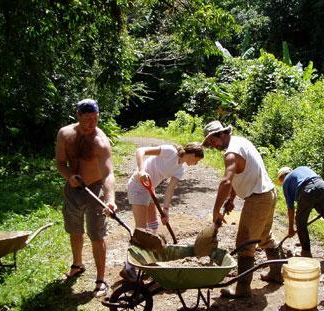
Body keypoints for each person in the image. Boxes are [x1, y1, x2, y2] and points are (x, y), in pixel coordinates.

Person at [202, 120, 282, 299]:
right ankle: (276, 273)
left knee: (244, 244)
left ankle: (243, 288)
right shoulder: (241, 142)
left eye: (212, 140)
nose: (212, 145)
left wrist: (216, 210)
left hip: (258, 199)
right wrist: (231, 198)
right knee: (264, 236)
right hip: (268, 193)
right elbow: (242, 173)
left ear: (221, 134)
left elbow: (226, 181)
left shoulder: (231, 153)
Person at [55, 98, 117, 297]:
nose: (92, 123)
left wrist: (110, 200)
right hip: (73, 188)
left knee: (96, 235)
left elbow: (108, 174)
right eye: (87, 118)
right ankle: (77, 264)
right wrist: (69, 177)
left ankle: (100, 279)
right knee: (75, 229)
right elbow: (60, 163)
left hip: (95, 188)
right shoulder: (65, 134)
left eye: (96, 118)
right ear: (78, 116)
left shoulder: (100, 141)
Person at [120, 142, 204, 281]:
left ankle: (147, 260)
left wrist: (165, 210)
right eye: (197, 160)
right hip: (138, 186)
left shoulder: (181, 169)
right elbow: (141, 149)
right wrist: (141, 170)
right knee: (141, 230)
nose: (196, 164)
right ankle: (128, 268)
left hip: (150, 189)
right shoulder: (170, 151)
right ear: (193, 154)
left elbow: (169, 190)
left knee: (153, 226)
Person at [276, 166, 324, 261]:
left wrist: (291, 228)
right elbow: (319, 184)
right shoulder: (303, 168)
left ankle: (306, 253)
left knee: (300, 224)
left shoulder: (286, 182)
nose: (282, 182)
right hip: (322, 186)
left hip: (306, 191)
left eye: (281, 180)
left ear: (282, 177)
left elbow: (290, 208)